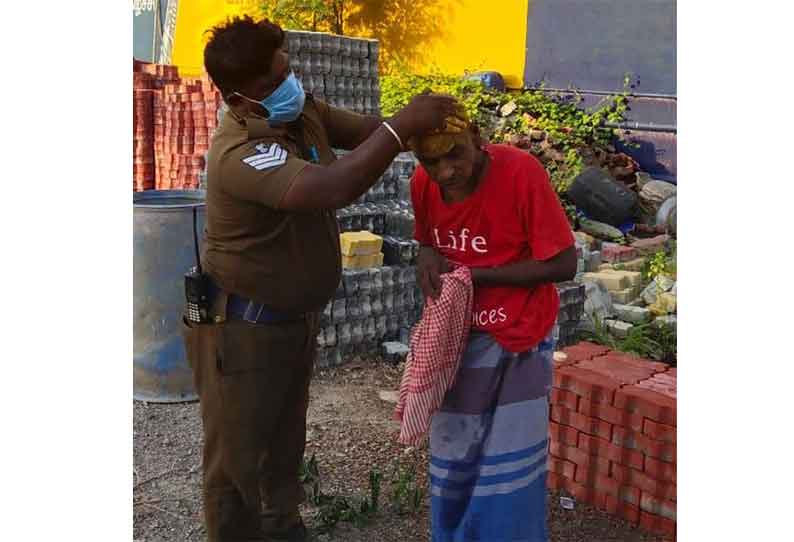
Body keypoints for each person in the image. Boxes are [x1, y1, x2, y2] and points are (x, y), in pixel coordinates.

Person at [181, 16, 458, 542]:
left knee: (284, 444)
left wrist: (423, 133)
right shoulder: (240, 152)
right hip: (240, 328)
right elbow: (333, 186)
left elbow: (368, 133)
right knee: (236, 459)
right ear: (246, 95)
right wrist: (404, 126)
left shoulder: (298, 112)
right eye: (279, 75)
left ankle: (283, 528)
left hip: (289, 323)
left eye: (289, 67)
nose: (293, 81)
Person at [409, 102, 577, 542]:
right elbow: (426, 238)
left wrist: (472, 276)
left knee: (510, 460)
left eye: (456, 155)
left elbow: (564, 263)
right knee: (455, 454)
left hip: (519, 335)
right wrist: (427, 257)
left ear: (479, 140)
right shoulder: (421, 185)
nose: (446, 172)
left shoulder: (521, 173)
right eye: (432, 161)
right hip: (457, 339)